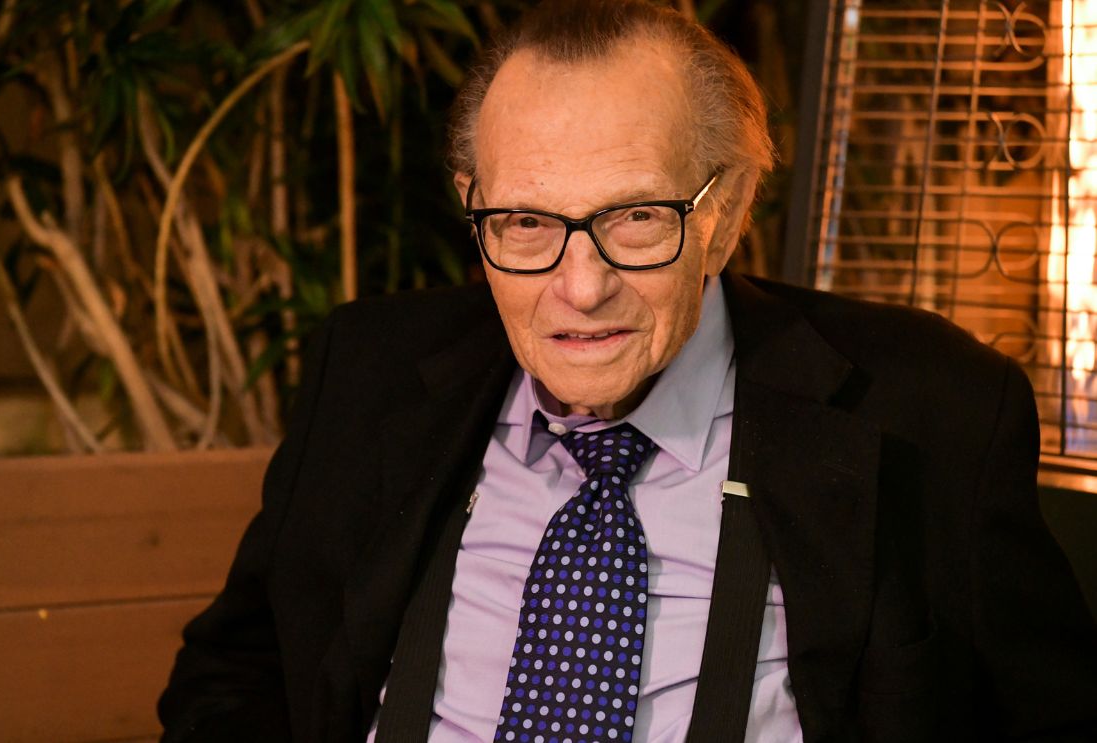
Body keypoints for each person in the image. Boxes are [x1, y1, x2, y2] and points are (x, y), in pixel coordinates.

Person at [158, 1, 1097, 741]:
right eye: (525, 222)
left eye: (634, 217)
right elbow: (238, 674)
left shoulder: (932, 413)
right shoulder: (367, 373)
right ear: (472, 207)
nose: (579, 287)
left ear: (723, 214)